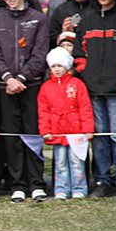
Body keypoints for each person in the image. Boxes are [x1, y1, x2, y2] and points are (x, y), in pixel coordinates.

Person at [0, 0, 49, 204]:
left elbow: (40, 53)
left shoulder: (38, 19)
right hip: (6, 86)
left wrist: (22, 77)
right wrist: (8, 78)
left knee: (32, 133)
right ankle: (18, 184)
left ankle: (37, 183)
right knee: (12, 137)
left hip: (31, 85)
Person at [72, 0, 116, 199]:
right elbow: (78, 51)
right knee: (100, 136)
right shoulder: (87, 18)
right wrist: (86, 72)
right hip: (93, 89)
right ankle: (102, 179)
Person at [37, 47, 94, 200]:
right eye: (53, 66)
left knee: (76, 162)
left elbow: (85, 108)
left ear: (67, 66)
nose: (56, 69)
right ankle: (61, 189)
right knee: (60, 162)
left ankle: (79, 188)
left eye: (60, 66)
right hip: (57, 131)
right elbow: (43, 111)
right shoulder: (45, 87)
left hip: (76, 131)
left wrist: (88, 129)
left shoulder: (77, 84)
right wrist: (45, 130)